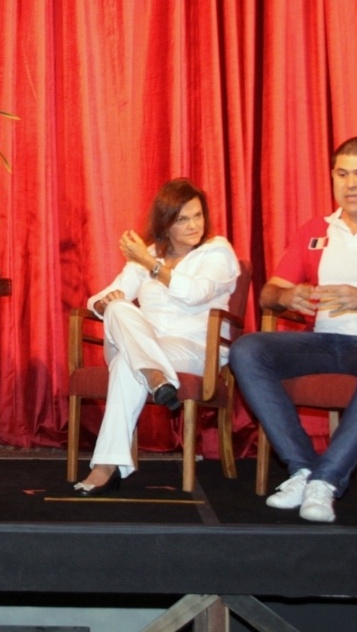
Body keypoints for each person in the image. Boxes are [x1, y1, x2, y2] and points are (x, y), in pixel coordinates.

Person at [230, 137, 357, 522]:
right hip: (321, 343)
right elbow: (267, 294)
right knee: (247, 348)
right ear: (332, 177)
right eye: (342, 174)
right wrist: (288, 295)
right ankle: (304, 468)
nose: (351, 184)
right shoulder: (316, 230)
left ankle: (326, 479)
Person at [74, 179, 240, 496]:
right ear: (165, 223)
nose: (194, 225)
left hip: (194, 348)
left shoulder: (217, 251)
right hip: (146, 342)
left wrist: (151, 265)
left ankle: (105, 467)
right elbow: (100, 297)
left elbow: (195, 293)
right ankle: (154, 375)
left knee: (126, 363)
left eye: (197, 215)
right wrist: (103, 303)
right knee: (120, 307)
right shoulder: (150, 253)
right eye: (182, 219)